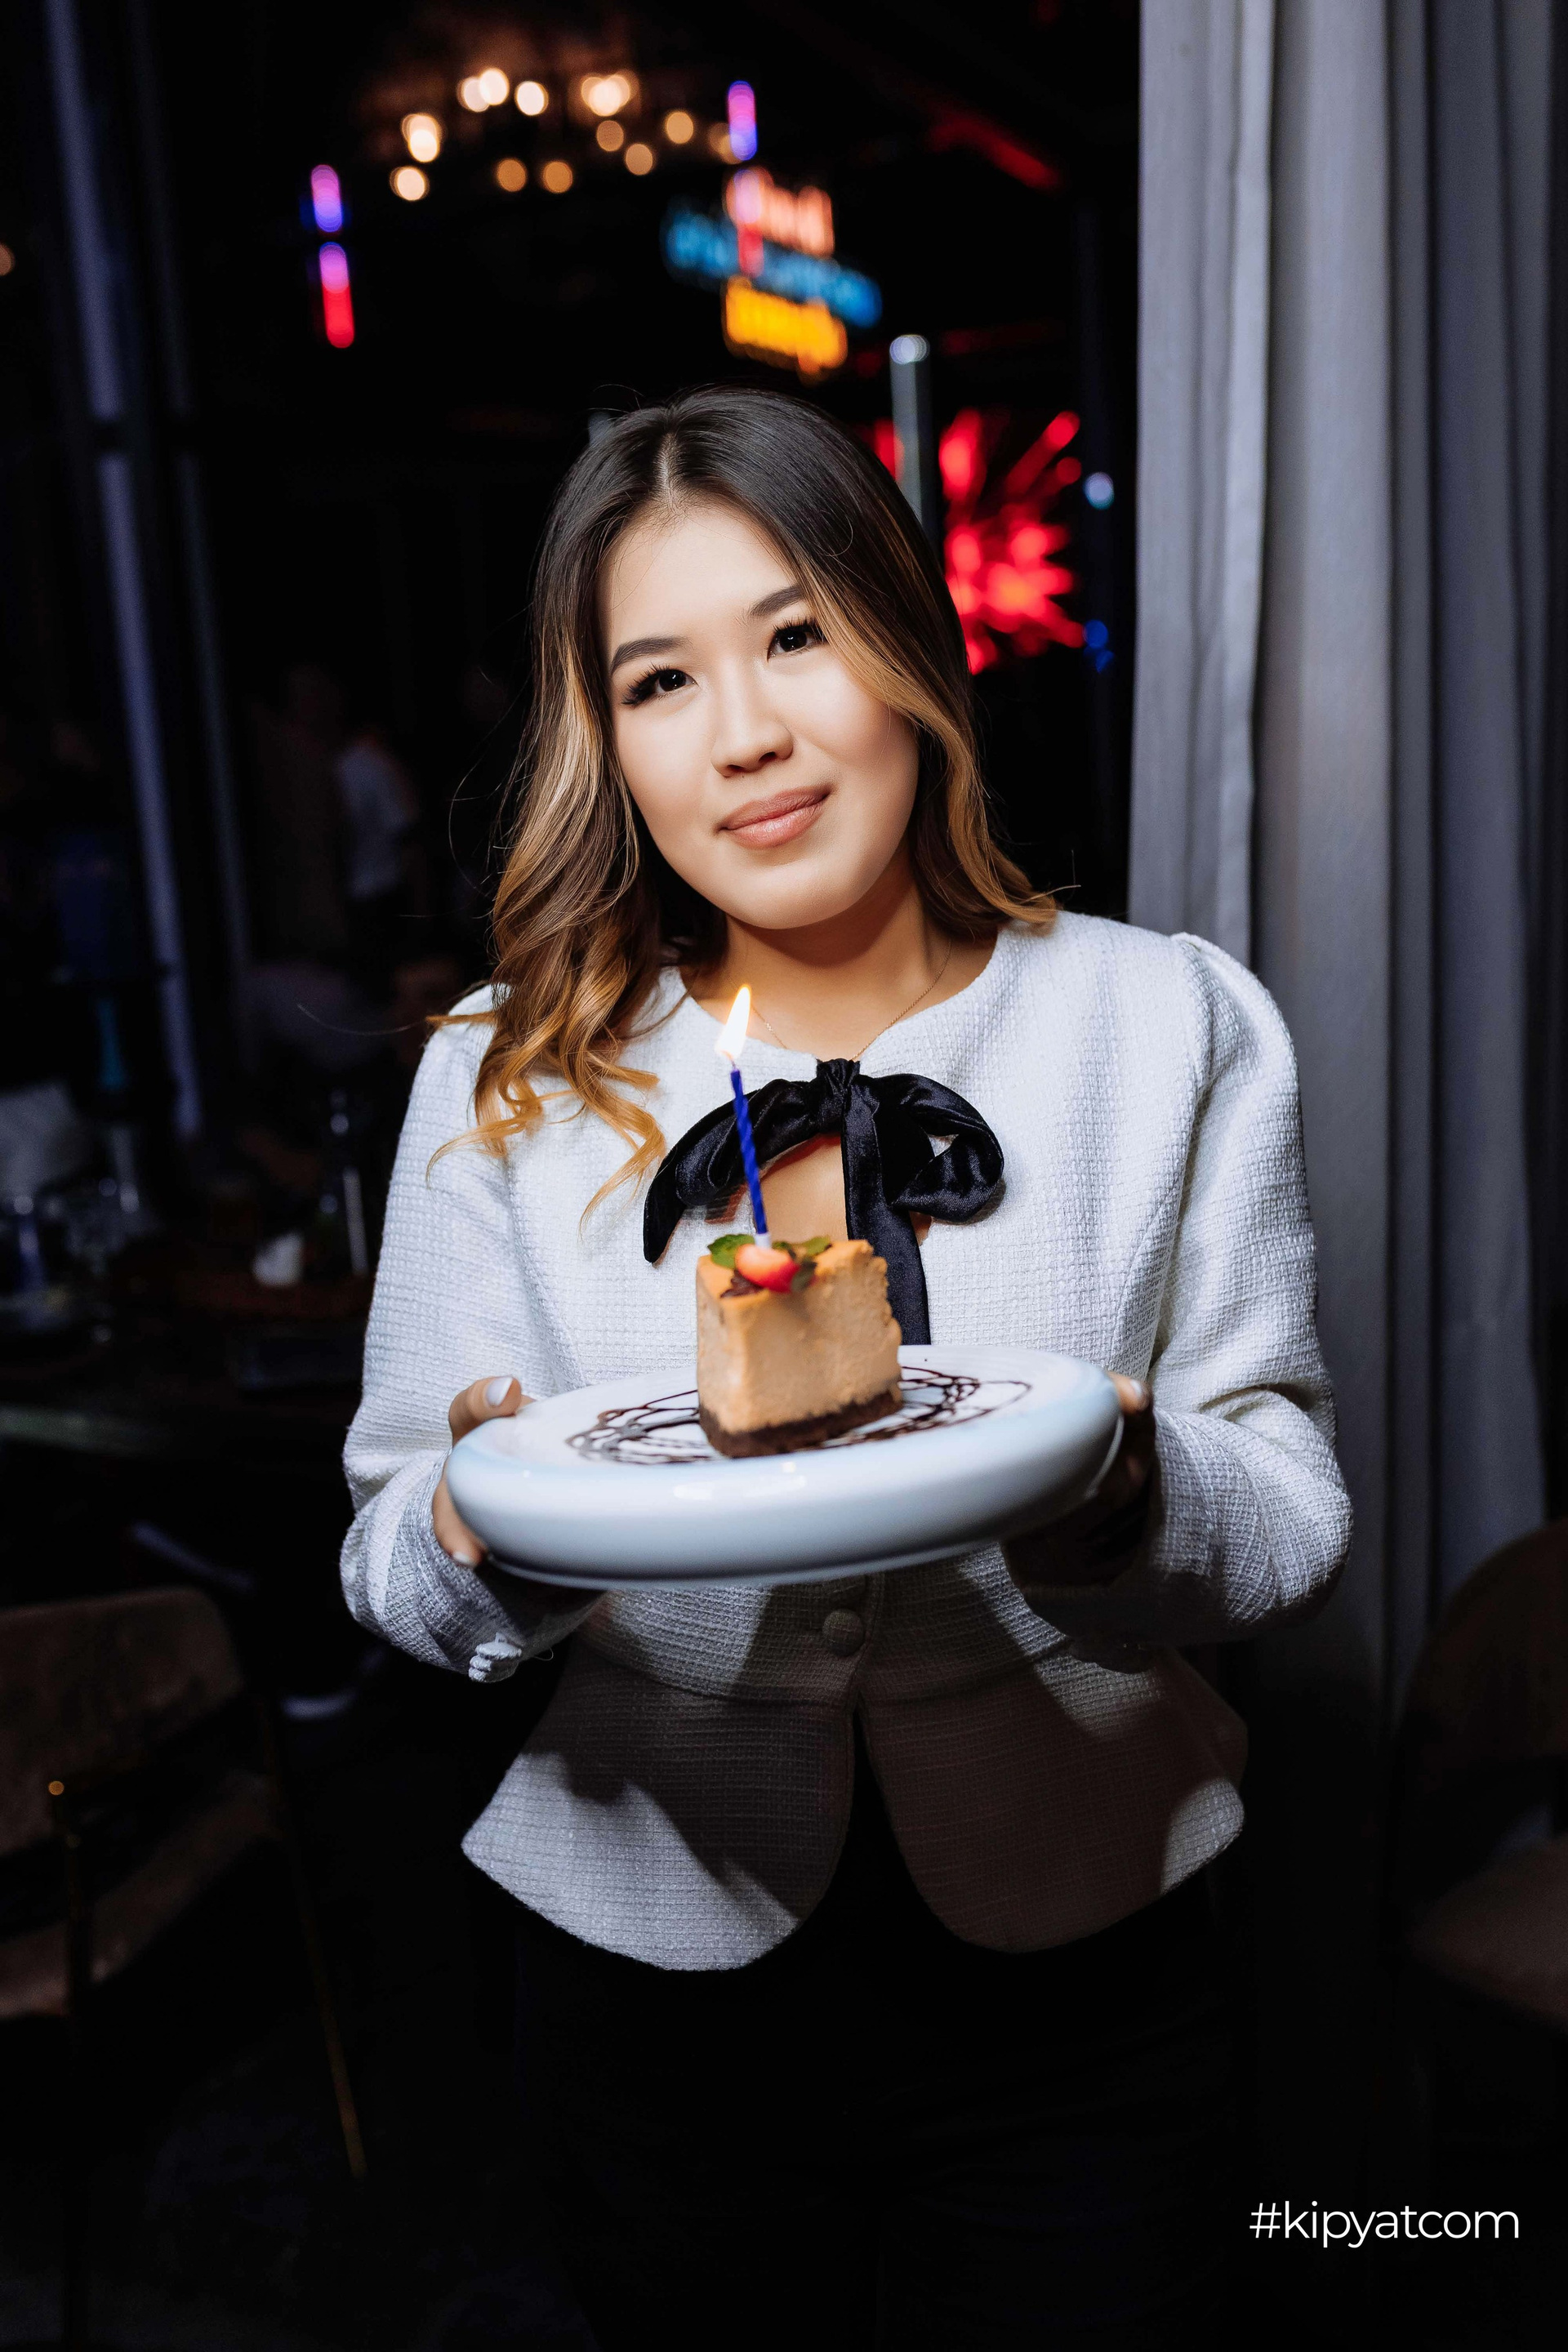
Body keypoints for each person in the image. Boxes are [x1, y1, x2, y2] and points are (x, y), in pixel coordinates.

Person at [341, 388, 1350, 2349]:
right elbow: (387, 1551)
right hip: (644, 1967)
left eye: (796, 633)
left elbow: (1292, 1514)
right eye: (660, 679)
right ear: (606, 739)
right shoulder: (504, 1074)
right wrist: (474, 1524)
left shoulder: (1169, 1022)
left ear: (911, 639)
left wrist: (1132, 1496)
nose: (744, 734)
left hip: (1090, 1960)